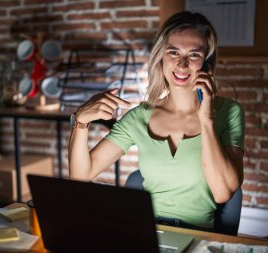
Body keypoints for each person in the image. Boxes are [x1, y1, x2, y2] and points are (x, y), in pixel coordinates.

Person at [68, 11, 245, 231]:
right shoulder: (139, 116)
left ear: (206, 64)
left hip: (197, 236)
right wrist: (81, 122)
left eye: (193, 55)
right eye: (173, 52)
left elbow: (222, 192)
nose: (181, 64)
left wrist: (206, 119)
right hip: (145, 232)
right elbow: (80, 175)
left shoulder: (229, 112)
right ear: (161, 57)